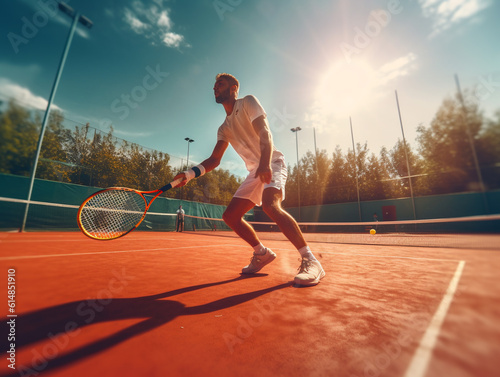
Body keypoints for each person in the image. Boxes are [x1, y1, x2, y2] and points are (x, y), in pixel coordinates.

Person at [174, 73, 325, 286]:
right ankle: (261, 253)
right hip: (255, 171)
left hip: (272, 162)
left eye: (221, 84)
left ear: (234, 87)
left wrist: (264, 163)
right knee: (230, 216)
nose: (215, 88)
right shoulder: (223, 128)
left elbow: (265, 133)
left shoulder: (248, 102)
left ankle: (311, 260)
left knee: (271, 206)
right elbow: (214, 160)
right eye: (214, 86)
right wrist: (189, 175)